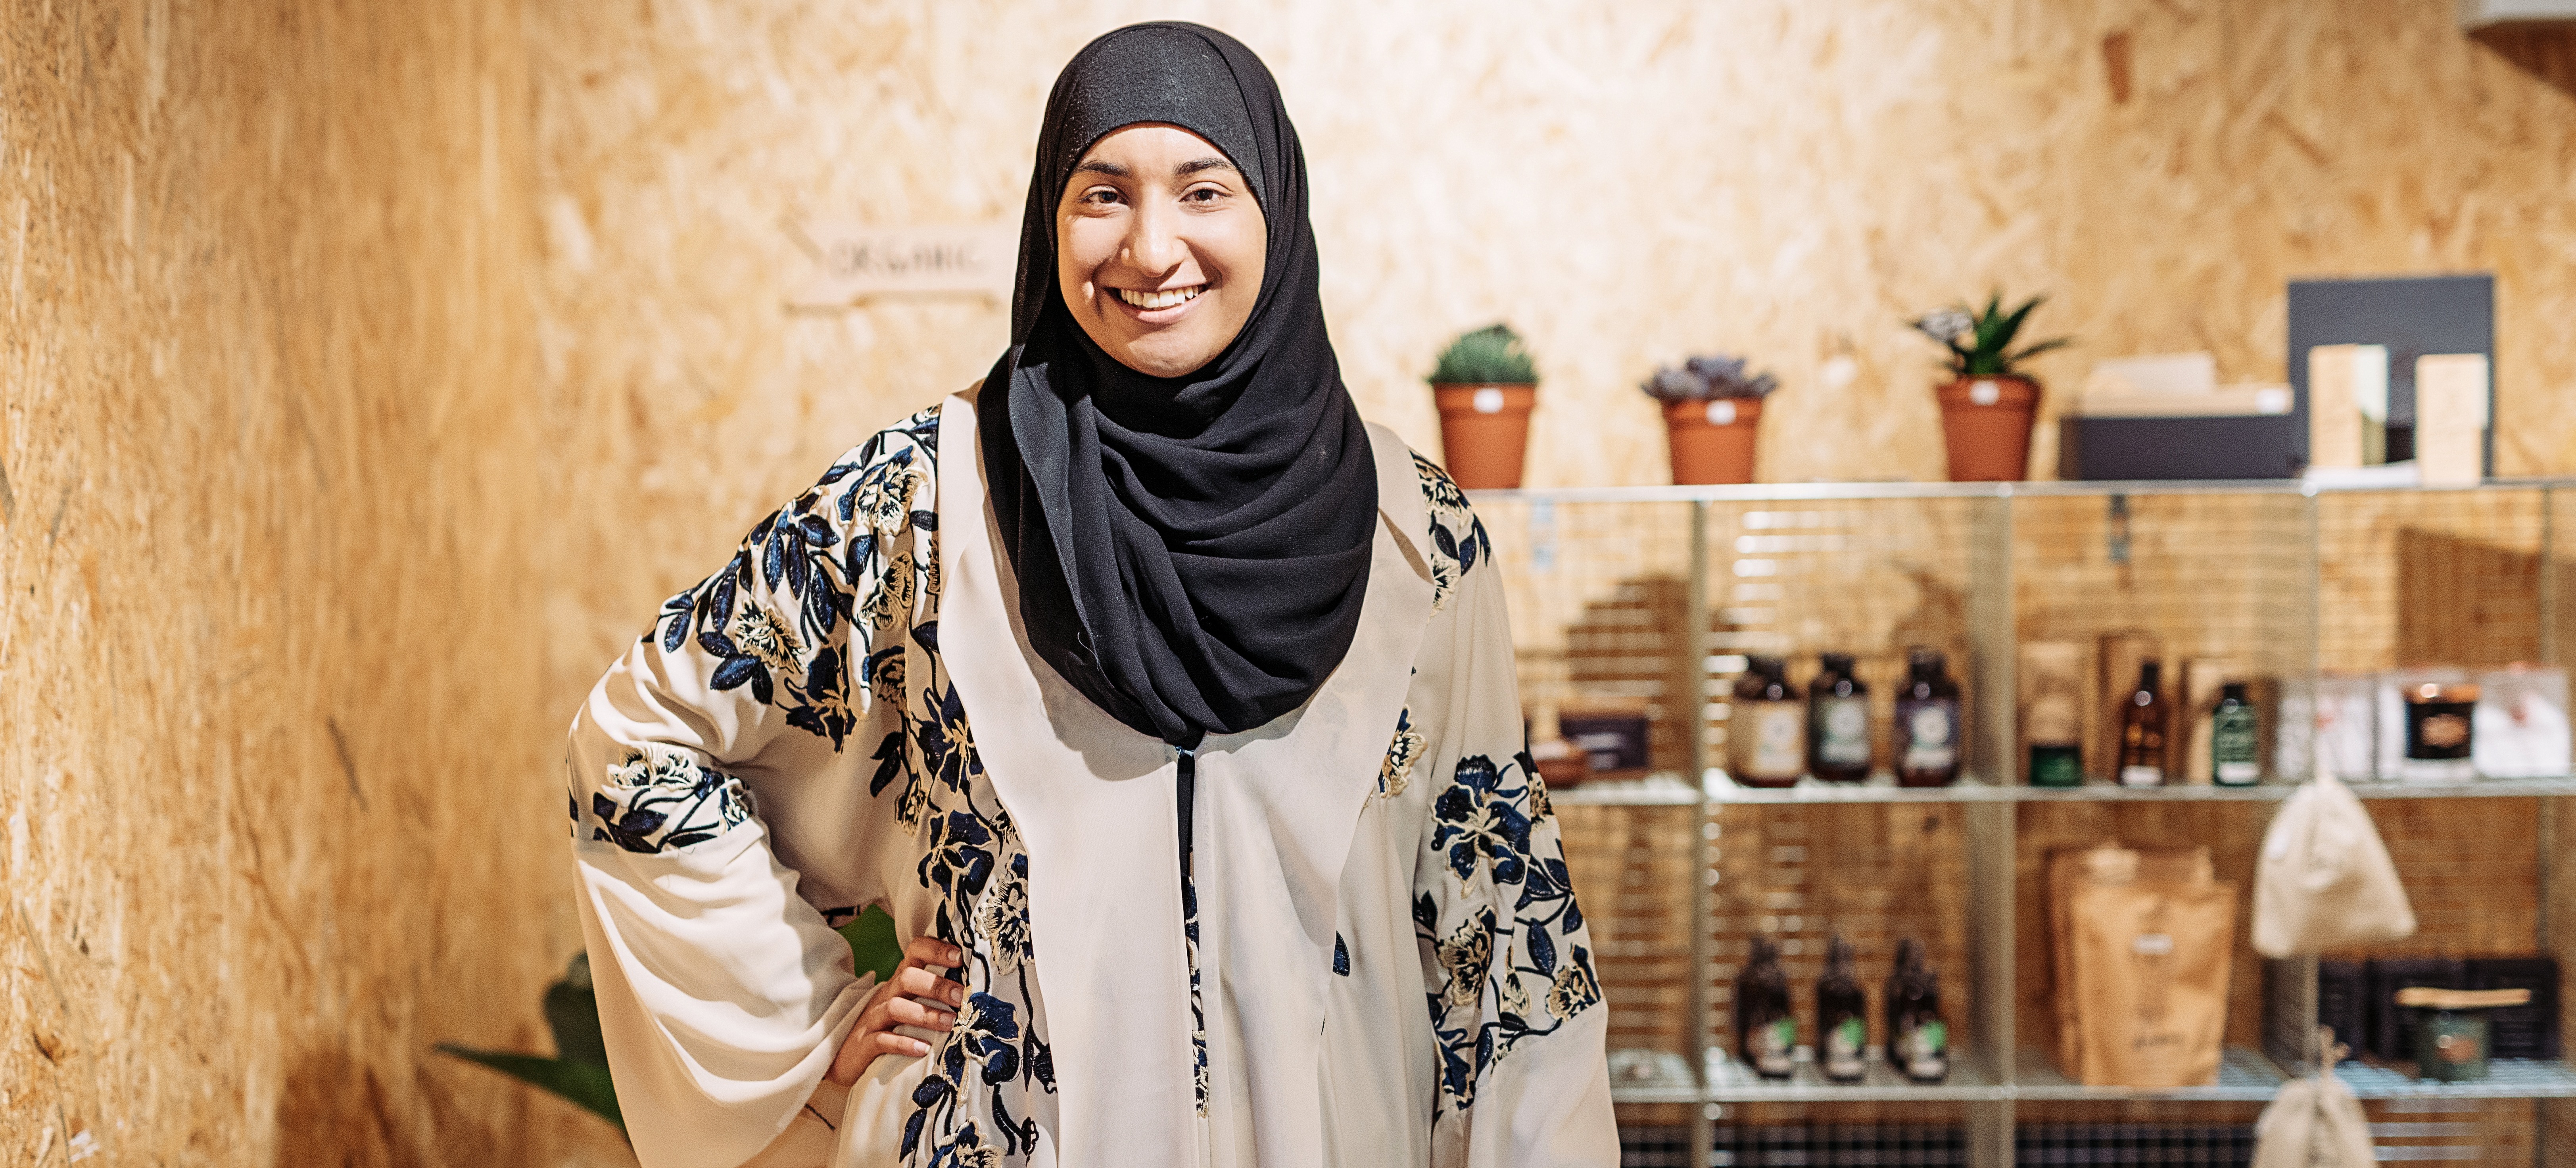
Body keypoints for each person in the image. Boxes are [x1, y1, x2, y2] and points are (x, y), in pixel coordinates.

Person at [566, 22, 1614, 1167]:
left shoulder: (1417, 536)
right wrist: (809, 1020)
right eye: (1102, 195)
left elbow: (1498, 924)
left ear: (1277, 207)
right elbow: (636, 742)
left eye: (1205, 190)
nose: (1151, 248)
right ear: (1049, 221)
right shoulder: (927, 500)